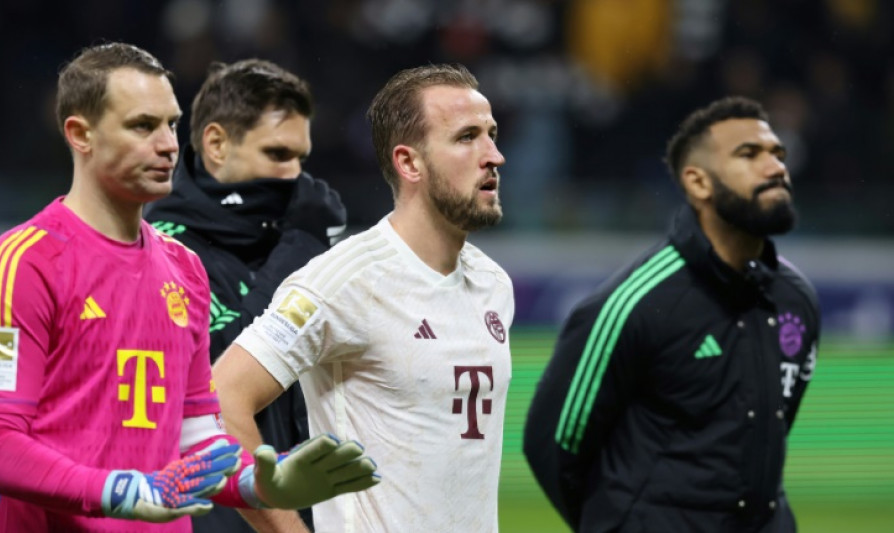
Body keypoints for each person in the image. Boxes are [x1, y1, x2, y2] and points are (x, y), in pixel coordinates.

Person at [0, 42, 378, 533]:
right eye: (142, 126)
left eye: (171, 124)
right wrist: (123, 492)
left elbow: (197, 437)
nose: (168, 145)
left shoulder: (185, 270)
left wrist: (258, 484)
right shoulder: (23, 263)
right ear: (80, 134)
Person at [212, 63, 514, 532]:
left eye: (492, 134)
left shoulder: (494, 284)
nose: (494, 155)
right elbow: (221, 397)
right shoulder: (343, 282)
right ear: (409, 163)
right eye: (466, 137)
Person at [523, 96, 820, 532]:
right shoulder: (635, 301)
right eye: (748, 155)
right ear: (698, 183)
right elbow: (553, 443)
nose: (776, 167)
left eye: (778, 154)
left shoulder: (797, 299)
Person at [145, 58, 344, 533]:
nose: (294, 175)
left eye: (301, 158)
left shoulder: (292, 240)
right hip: (212, 517)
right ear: (216, 144)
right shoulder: (162, 249)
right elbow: (224, 372)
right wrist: (303, 248)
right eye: (277, 154)